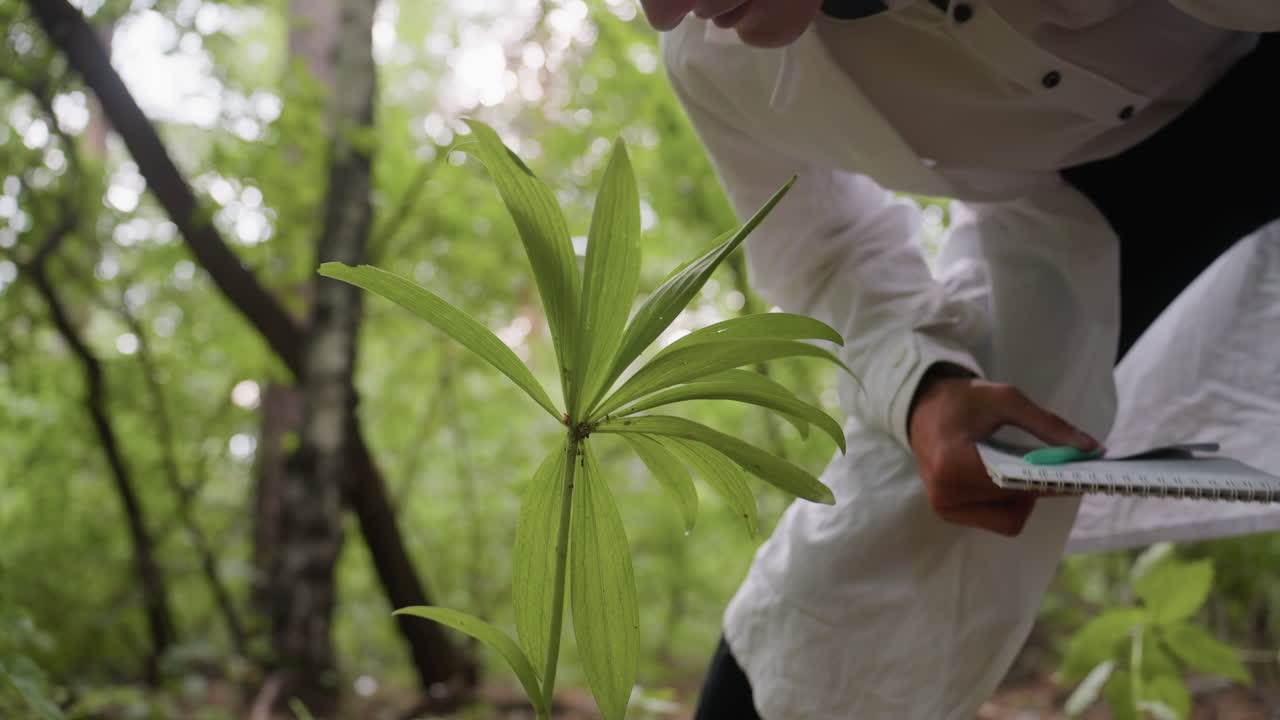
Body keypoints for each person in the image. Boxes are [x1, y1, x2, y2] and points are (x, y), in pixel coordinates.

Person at [635, 1, 1280, 718]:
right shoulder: (715, 63)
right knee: (865, 557)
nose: (659, 10)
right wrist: (925, 387)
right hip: (1075, 210)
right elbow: (826, 250)